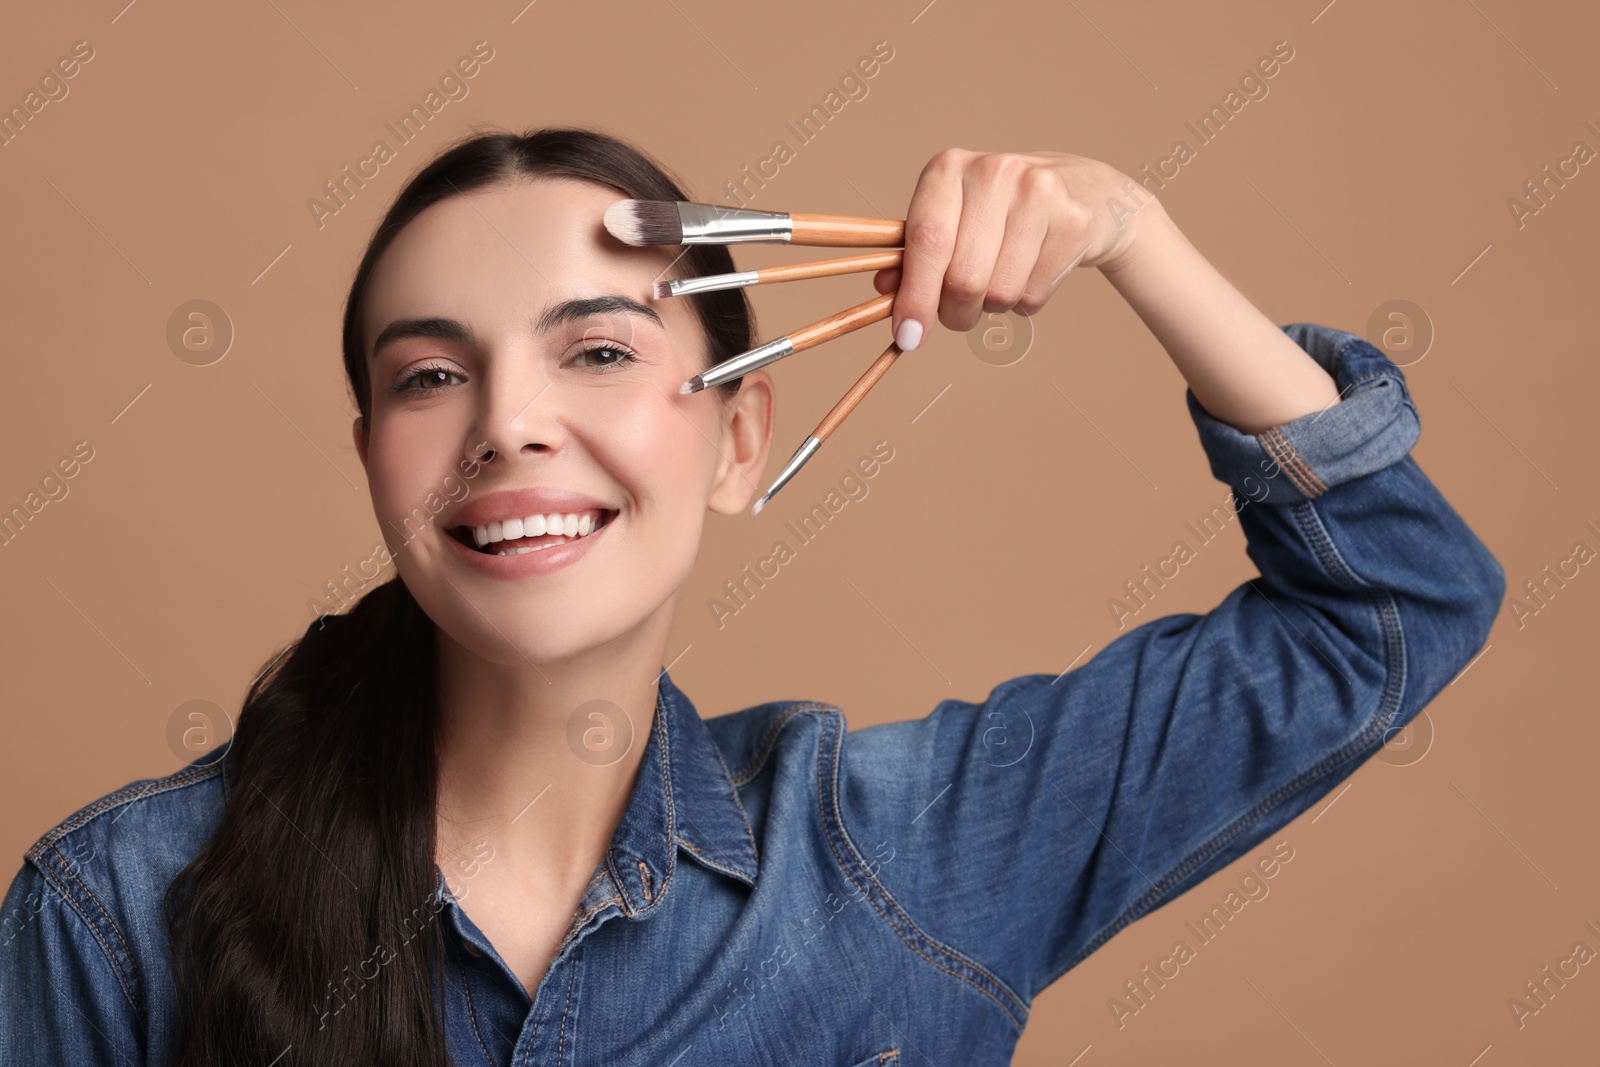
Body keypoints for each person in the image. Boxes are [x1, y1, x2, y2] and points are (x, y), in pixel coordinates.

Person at [0, 127, 1502, 1066]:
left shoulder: (910, 856)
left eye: (594, 350)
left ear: (738, 439)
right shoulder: (116, 909)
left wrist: (1130, 232)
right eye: (433, 374)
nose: (507, 422)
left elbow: (1391, 604)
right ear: (377, 460)